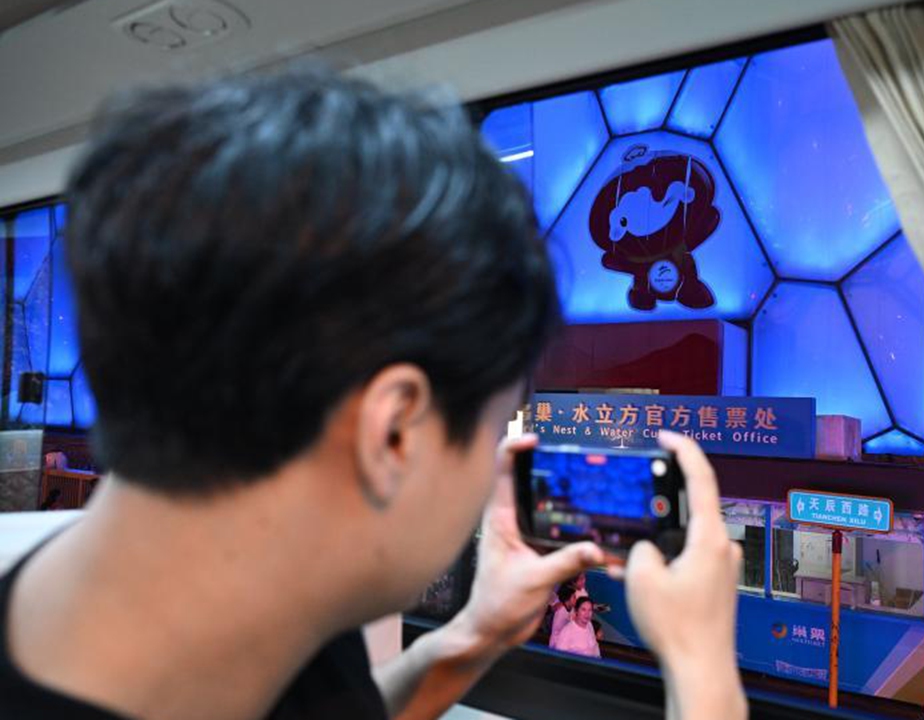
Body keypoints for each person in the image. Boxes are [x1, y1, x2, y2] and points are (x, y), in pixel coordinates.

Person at [0, 69, 747, 720]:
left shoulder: (262, 613)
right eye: (490, 433)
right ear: (395, 433)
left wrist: (476, 633)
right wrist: (702, 665)